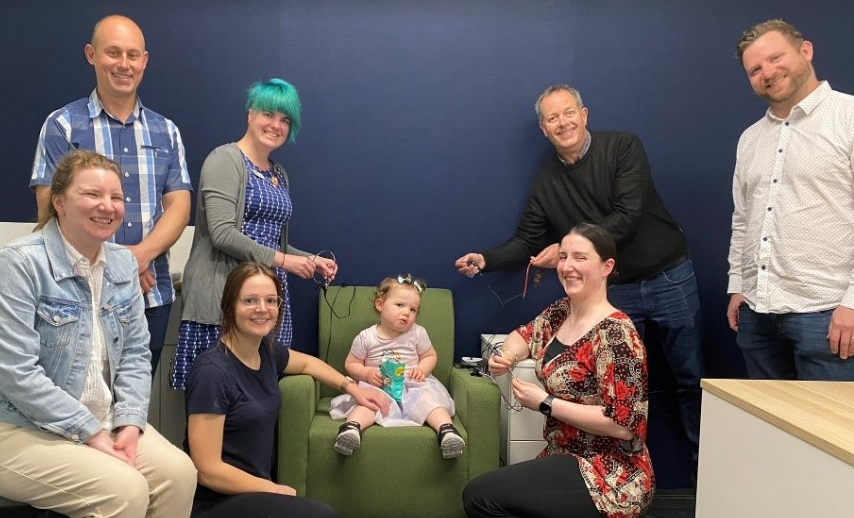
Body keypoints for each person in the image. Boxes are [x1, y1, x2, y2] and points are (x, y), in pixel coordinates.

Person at [454, 84, 703, 464]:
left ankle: (704, 474)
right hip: (615, 289)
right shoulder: (546, 183)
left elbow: (628, 214)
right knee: (611, 390)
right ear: (543, 129)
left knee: (691, 379)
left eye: (569, 112)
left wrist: (569, 248)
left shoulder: (623, 147)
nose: (563, 122)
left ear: (584, 115)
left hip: (667, 276)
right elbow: (526, 239)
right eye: (552, 118)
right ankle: (619, 469)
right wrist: (486, 260)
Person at [0, 150, 196, 518]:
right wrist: (90, 432)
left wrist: (130, 423)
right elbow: (16, 373)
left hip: (104, 419)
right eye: (92, 194)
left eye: (116, 197)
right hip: (18, 427)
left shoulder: (122, 263)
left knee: (180, 475)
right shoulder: (19, 263)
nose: (107, 206)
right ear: (58, 202)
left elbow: (137, 355)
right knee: (123, 492)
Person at [30, 15, 193, 375]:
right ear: (91, 55)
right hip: (76, 297)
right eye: (113, 53)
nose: (123, 64)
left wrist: (140, 257)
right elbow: (49, 208)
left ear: (145, 61)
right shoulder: (62, 125)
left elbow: (180, 206)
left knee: (133, 407)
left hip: (150, 294)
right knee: (74, 401)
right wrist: (119, 266)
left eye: (133, 55)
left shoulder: (167, 132)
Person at [462, 223, 654, 518]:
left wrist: (546, 403)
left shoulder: (616, 335)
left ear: (607, 266)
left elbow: (623, 425)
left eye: (580, 257)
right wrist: (507, 356)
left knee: (481, 497)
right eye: (563, 257)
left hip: (606, 474)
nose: (568, 266)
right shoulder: (564, 310)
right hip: (563, 456)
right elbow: (525, 335)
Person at [184, 261, 388, 518]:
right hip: (216, 501)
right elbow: (207, 470)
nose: (262, 309)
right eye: (249, 300)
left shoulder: (266, 351)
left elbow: (306, 362)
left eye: (271, 300)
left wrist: (352, 388)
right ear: (229, 306)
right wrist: (272, 488)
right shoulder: (211, 372)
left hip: (257, 491)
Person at [171, 78, 337, 390]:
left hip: (265, 299)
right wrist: (284, 260)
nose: (276, 125)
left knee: (257, 402)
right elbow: (222, 233)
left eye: (285, 119)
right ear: (250, 114)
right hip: (224, 298)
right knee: (218, 398)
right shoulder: (225, 160)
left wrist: (309, 260)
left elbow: (274, 240)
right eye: (268, 114)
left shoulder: (278, 173)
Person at [727, 19, 854, 380]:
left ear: (805, 50)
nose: (767, 72)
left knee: (830, 432)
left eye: (775, 57)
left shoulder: (849, 118)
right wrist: (739, 285)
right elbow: (743, 219)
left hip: (829, 314)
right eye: (755, 69)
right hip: (757, 315)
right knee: (769, 433)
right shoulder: (749, 139)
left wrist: (853, 303)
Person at [328, 274, 465, 459]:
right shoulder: (366, 337)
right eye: (400, 305)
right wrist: (367, 373)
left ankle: (446, 430)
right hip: (378, 386)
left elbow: (430, 355)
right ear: (380, 305)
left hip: (412, 385)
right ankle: (352, 428)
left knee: (429, 401)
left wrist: (423, 369)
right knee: (368, 404)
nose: (407, 313)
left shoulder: (417, 333)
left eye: (413, 309)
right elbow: (351, 363)